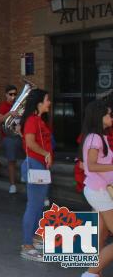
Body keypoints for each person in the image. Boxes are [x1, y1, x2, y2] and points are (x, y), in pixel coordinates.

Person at [78, 100, 113, 276]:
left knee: (102, 232)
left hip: (100, 190)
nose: (110, 117)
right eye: (108, 114)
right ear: (100, 117)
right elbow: (91, 165)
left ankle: (94, 272)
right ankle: (91, 273)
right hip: (99, 192)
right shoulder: (95, 138)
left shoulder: (98, 137)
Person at [18, 89, 52, 261]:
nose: (49, 102)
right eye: (47, 99)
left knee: (39, 205)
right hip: (35, 164)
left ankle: (35, 238)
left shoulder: (38, 120)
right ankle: (26, 245)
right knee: (34, 206)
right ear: (39, 103)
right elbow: (30, 142)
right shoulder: (32, 120)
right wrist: (46, 153)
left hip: (40, 166)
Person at [0, 85, 21, 194]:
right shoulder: (3, 106)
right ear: (6, 95)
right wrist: (9, 113)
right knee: (11, 161)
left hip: (20, 135)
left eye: (15, 94)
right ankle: (12, 184)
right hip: (9, 137)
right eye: (11, 94)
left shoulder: (19, 106)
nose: (13, 96)